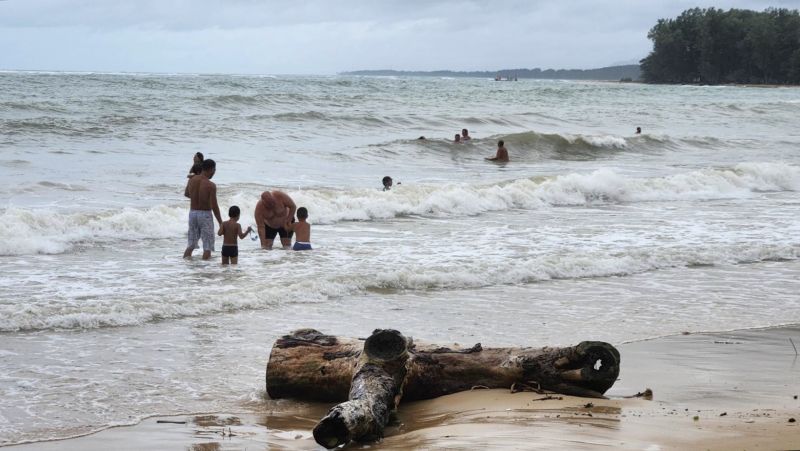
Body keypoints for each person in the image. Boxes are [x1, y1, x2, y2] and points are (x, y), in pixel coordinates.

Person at [183, 159, 222, 260]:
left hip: (192, 213)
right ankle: (204, 272)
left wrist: (197, 197)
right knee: (207, 246)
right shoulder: (211, 185)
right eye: (214, 170)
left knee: (191, 244)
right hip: (205, 215)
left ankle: (185, 266)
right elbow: (214, 206)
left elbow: (187, 194)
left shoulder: (191, 180)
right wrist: (221, 223)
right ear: (212, 169)